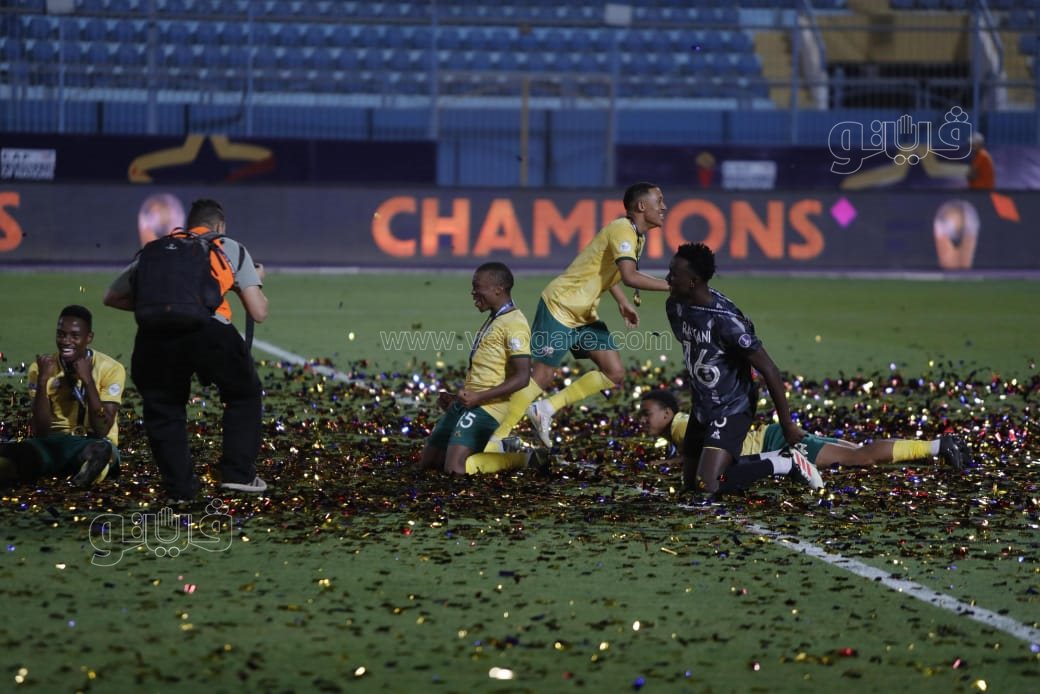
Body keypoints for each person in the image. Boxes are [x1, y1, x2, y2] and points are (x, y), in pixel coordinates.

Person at [103, 198, 269, 501]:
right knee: (243, 394)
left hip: (155, 338)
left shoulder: (160, 249)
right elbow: (257, 312)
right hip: (210, 333)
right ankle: (237, 475)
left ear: (188, 222)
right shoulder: (227, 246)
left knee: (163, 408)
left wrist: (164, 309)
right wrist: (255, 279)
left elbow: (111, 297)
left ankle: (180, 489)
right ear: (220, 226)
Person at [487, 182, 672, 450]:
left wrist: (622, 302)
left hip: (583, 312)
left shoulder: (636, 236)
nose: (664, 206)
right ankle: (497, 438)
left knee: (614, 372)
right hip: (560, 306)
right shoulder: (622, 229)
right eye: (659, 200)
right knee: (541, 375)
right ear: (642, 206)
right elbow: (630, 276)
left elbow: (605, 271)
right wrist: (672, 286)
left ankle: (545, 409)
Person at [665, 242, 822, 494]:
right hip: (702, 405)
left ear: (693, 281)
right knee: (691, 485)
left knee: (709, 485)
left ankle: (785, 461)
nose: (667, 278)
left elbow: (769, 369)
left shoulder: (726, 320)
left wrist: (787, 424)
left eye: (674, 274)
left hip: (732, 406)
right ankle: (733, 465)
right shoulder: (675, 306)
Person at [638, 389, 972, 474]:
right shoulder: (680, 427)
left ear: (668, 413)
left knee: (859, 457)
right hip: (773, 435)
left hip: (775, 443)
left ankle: (937, 446)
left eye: (647, 414)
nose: (643, 420)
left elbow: (706, 452)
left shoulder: (680, 426)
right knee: (856, 449)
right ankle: (931, 452)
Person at [420, 262, 548, 475]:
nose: (473, 292)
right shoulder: (496, 318)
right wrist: (457, 397)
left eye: (477, 286)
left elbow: (523, 376)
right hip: (470, 401)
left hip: (488, 407)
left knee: (454, 468)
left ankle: (524, 459)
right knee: (429, 463)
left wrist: (479, 397)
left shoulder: (514, 323)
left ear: (498, 289)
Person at [0, 305, 124, 488]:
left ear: (89, 338)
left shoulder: (111, 368)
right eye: (61, 334)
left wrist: (88, 381)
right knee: (14, 452)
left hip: (91, 443)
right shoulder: (41, 367)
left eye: (75, 336)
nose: (66, 341)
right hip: (52, 444)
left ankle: (78, 478)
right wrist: (42, 382)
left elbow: (102, 429)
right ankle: (66, 470)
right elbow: (41, 430)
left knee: (101, 451)